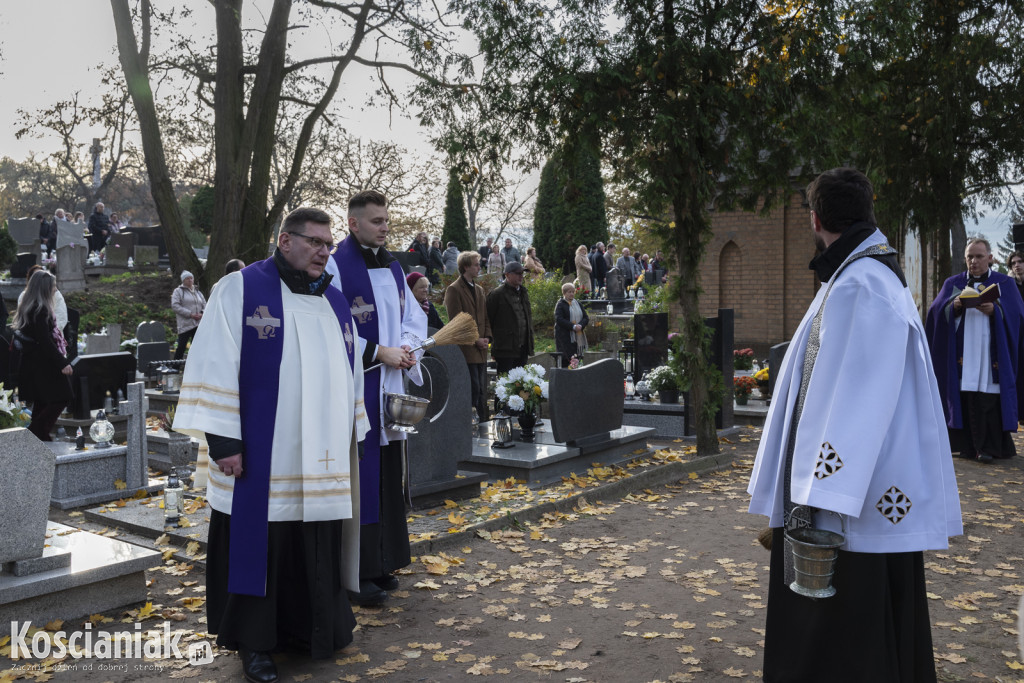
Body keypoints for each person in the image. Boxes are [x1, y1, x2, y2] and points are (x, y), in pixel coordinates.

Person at [747, 167, 962, 682]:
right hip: (856, 495)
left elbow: (859, 402)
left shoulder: (860, 286)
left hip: (847, 506)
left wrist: (818, 496)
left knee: (843, 632)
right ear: (866, 213)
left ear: (816, 219)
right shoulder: (859, 275)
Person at [173, 207, 367, 682]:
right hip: (263, 454)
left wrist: (352, 431)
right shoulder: (240, 290)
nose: (324, 251)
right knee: (263, 541)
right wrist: (224, 441)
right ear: (285, 241)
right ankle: (255, 643)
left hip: (320, 456)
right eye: (314, 242)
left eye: (329, 243)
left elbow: (352, 375)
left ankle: (311, 630)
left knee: (312, 538)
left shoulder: (335, 302)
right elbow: (213, 361)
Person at [325, 190, 427, 607]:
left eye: (387, 220)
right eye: (376, 221)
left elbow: (412, 318)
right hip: (358, 383)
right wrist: (378, 352)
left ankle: (383, 561)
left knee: (386, 474)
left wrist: (406, 347)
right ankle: (356, 573)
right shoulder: (335, 263)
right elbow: (333, 324)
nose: (385, 227)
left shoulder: (393, 265)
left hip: (391, 383)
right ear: (353, 224)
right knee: (360, 476)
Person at [925, 237, 1024, 463]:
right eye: (970, 257)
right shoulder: (953, 283)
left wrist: (996, 311)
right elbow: (935, 313)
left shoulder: (1004, 284)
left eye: (979, 256)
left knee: (989, 398)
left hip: (991, 355)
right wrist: (954, 307)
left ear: (990, 258)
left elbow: (1018, 316)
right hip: (964, 355)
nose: (974, 261)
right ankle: (969, 447)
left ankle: (990, 447)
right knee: (967, 396)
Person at [13, 271, 73, 442]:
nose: (55, 289)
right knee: (63, 396)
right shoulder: (40, 310)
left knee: (42, 402)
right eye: (53, 286)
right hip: (42, 365)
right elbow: (45, 341)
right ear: (44, 288)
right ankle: (35, 433)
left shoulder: (30, 307)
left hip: (33, 363)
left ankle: (41, 437)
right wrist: (63, 363)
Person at [444, 251, 492, 421]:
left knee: (481, 390)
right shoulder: (454, 289)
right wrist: (475, 340)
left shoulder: (479, 290)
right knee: (472, 388)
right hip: (467, 349)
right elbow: (456, 322)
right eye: (476, 265)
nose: (479, 267)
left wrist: (487, 337)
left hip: (481, 349)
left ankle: (482, 422)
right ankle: (466, 422)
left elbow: (485, 317)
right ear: (466, 266)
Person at [487, 261, 534, 373]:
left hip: (523, 346)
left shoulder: (523, 292)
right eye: (518, 273)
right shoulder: (497, 294)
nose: (521, 276)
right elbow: (488, 320)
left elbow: (527, 317)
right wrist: (492, 345)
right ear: (507, 275)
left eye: (522, 273)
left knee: (521, 383)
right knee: (505, 384)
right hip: (505, 348)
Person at [19, 265, 68, 340]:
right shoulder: (24, 296)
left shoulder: (56, 294)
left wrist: (53, 332)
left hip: (54, 337)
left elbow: (61, 315)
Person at [171, 270, 206, 360]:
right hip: (185, 324)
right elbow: (175, 305)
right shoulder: (178, 291)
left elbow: (205, 304)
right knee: (181, 347)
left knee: (199, 347)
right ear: (183, 280)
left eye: (191, 278)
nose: (190, 280)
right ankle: (175, 367)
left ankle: (198, 366)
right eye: (187, 278)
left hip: (198, 323)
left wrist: (202, 313)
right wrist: (190, 314)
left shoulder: (197, 291)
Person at [554, 282, 588, 366]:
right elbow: (559, 319)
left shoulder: (578, 304)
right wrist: (573, 326)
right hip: (564, 336)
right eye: (569, 292)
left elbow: (586, 317)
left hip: (577, 336)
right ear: (564, 293)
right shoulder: (561, 304)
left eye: (573, 292)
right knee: (566, 358)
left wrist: (580, 325)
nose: (572, 294)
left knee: (576, 357)